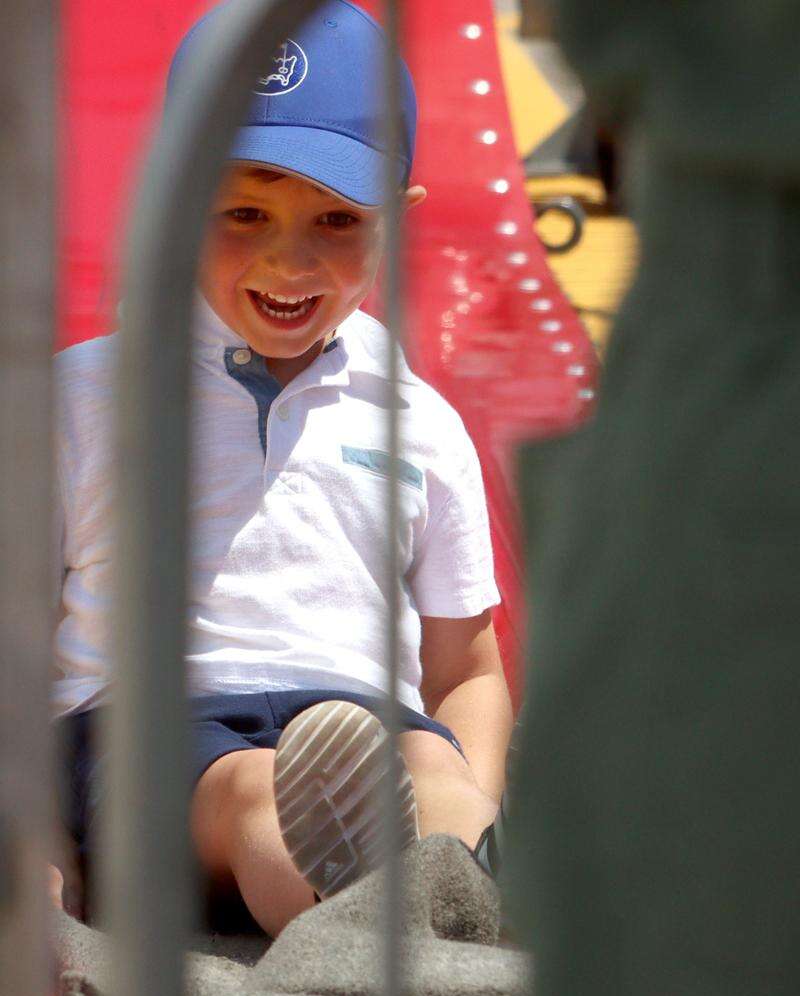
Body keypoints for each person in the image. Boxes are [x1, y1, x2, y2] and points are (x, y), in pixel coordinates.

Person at [56, 0, 512, 937]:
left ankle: (468, 880)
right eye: (244, 212)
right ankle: (360, 926)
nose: (288, 258)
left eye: (339, 219)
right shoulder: (85, 399)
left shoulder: (417, 421)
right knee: (249, 789)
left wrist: (474, 784)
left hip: (364, 723)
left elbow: (468, 668)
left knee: (428, 769)